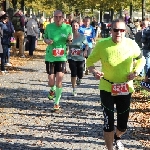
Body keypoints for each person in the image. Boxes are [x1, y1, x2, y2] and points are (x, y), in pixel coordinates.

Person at [86, 19, 145, 150]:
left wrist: (135, 72)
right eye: (116, 30)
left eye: (122, 30)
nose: (119, 33)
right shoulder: (102, 45)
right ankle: (110, 148)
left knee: (123, 125)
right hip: (107, 87)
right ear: (111, 30)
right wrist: (94, 71)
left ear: (125, 31)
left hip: (125, 87)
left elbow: (141, 59)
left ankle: (117, 137)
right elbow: (89, 61)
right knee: (108, 123)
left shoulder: (131, 44)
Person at [44, 10, 72, 111]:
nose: (58, 18)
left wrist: (69, 39)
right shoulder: (49, 27)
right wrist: (47, 41)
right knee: (51, 81)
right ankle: (52, 89)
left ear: (63, 18)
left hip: (61, 57)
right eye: (56, 17)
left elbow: (70, 39)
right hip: (50, 57)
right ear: (53, 17)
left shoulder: (68, 27)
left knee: (59, 79)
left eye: (60, 17)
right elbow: (45, 38)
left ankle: (56, 103)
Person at [68, 20, 88, 96]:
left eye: (76, 26)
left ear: (78, 27)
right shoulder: (69, 36)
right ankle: (74, 89)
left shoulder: (82, 36)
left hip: (80, 57)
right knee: (73, 72)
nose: (74, 27)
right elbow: (66, 45)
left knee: (80, 72)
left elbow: (86, 45)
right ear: (71, 27)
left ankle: (79, 78)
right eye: (73, 26)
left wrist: (85, 51)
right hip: (71, 57)